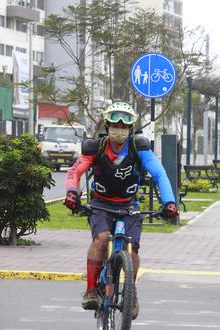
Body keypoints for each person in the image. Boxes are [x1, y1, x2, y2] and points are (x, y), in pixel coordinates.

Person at [63, 102, 179, 319]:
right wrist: (71, 193)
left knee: (132, 251)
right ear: (107, 127)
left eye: (124, 127)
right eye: (115, 126)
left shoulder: (139, 148)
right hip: (101, 204)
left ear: (130, 129)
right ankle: (90, 290)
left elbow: (159, 174)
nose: (119, 131)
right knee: (101, 239)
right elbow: (75, 170)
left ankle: (130, 293)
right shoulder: (95, 148)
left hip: (128, 205)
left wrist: (169, 202)